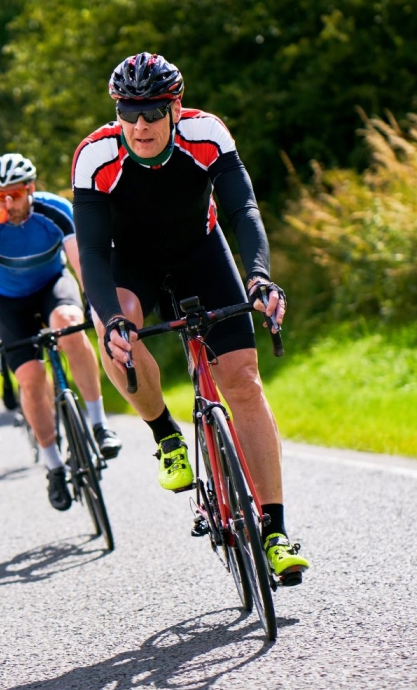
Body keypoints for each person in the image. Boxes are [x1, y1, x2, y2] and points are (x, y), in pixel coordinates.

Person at [72, 52, 309, 580]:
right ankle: (165, 435)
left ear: (175, 108)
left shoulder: (206, 134)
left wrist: (259, 277)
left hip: (201, 251)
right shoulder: (95, 155)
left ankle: (275, 532)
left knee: (242, 379)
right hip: (130, 262)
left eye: (152, 112)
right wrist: (111, 320)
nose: (139, 125)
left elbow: (243, 210)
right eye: (127, 112)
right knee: (117, 335)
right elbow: (90, 253)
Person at [0, 153, 123, 512]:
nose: (7, 203)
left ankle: (98, 423)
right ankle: (53, 466)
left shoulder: (53, 210)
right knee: (30, 377)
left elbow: (80, 263)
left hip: (52, 286)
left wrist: (96, 306)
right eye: (0, 196)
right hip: (9, 300)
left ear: (30, 188)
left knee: (67, 321)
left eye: (14, 194)